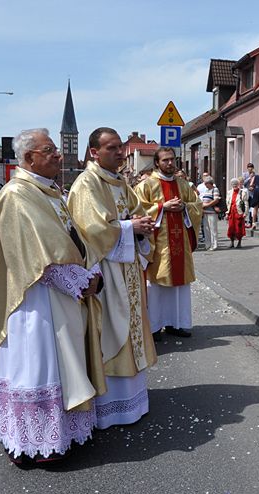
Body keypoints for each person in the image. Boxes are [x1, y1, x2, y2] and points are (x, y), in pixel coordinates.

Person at [0, 128, 104, 466]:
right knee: (39, 365)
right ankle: (31, 442)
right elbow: (35, 254)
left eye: (55, 149)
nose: (58, 155)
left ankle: (60, 433)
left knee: (61, 362)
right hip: (34, 299)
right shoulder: (17, 195)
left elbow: (70, 237)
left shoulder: (49, 192)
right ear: (29, 158)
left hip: (61, 297)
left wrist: (89, 269)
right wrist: (83, 281)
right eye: (49, 150)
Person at [68, 127, 158, 429]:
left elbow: (137, 213)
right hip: (105, 272)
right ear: (95, 152)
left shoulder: (120, 182)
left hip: (128, 268)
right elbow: (91, 230)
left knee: (131, 328)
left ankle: (133, 400)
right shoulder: (86, 184)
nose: (120, 153)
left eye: (121, 147)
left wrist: (142, 225)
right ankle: (109, 406)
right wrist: (131, 227)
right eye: (112, 148)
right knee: (109, 331)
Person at [135, 147, 203, 339]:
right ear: (157, 163)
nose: (170, 163)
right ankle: (155, 327)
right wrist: (162, 207)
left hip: (180, 243)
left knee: (179, 287)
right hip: (158, 246)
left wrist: (185, 207)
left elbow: (197, 205)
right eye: (165, 160)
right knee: (156, 285)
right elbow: (137, 210)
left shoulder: (183, 184)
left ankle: (176, 323)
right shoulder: (146, 186)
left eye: (172, 159)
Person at [200, 176, 221, 251]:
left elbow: (216, 200)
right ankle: (208, 245)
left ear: (210, 183)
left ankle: (214, 245)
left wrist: (207, 205)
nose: (205, 185)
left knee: (213, 229)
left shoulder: (215, 189)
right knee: (206, 229)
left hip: (212, 212)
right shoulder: (206, 190)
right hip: (205, 212)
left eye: (206, 183)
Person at [226, 177, 247, 248]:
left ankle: (239, 242)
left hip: (239, 213)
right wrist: (226, 213)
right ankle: (232, 242)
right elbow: (227, 204)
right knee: (231, 228)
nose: (234, 185)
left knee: (239, 228)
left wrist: (245, 213)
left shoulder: (242, 192)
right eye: (233, 184)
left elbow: (246, 204)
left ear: (238, 184)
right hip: (231, 213)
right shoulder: (229, 192)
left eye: (236, 184)